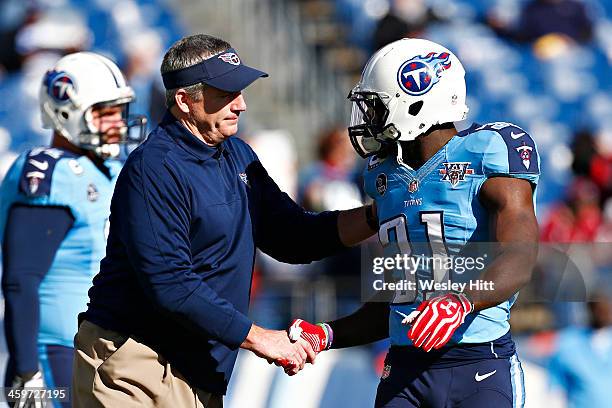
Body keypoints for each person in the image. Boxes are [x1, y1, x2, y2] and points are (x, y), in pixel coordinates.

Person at [72, 34, 378, 408]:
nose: (242, 104)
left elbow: (291, 235)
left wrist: (376, 216)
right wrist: (261, 337)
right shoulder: (154, 168)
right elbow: (171, 284)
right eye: (226, 93)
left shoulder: (237, 154)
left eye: (241, 90)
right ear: (185, 101)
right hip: (136, 360)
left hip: (199, 365)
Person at [289, 38, 540, 408]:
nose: (369, 119)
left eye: (377, 106)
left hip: (480, 365)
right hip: (405, 370)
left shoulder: (487, 152)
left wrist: (462, 300)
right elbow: (397, 298)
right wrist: (326, 334)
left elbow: (520, 255)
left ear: (415, 99)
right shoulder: (386, 176)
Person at [0, 52, 146, 407]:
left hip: (101, 345)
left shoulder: (108, 170)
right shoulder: (52, 171)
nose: (117, 122)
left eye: (119, 111)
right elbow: (21, 278)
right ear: (66, 111)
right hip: (56, 348)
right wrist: (25, 370)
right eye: (104, 112)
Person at [548, 290, 612, 407]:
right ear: (590, 309)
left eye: (606, 308)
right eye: (598, 308)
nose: (603, 313)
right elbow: (556, 389)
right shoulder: (568, 344)